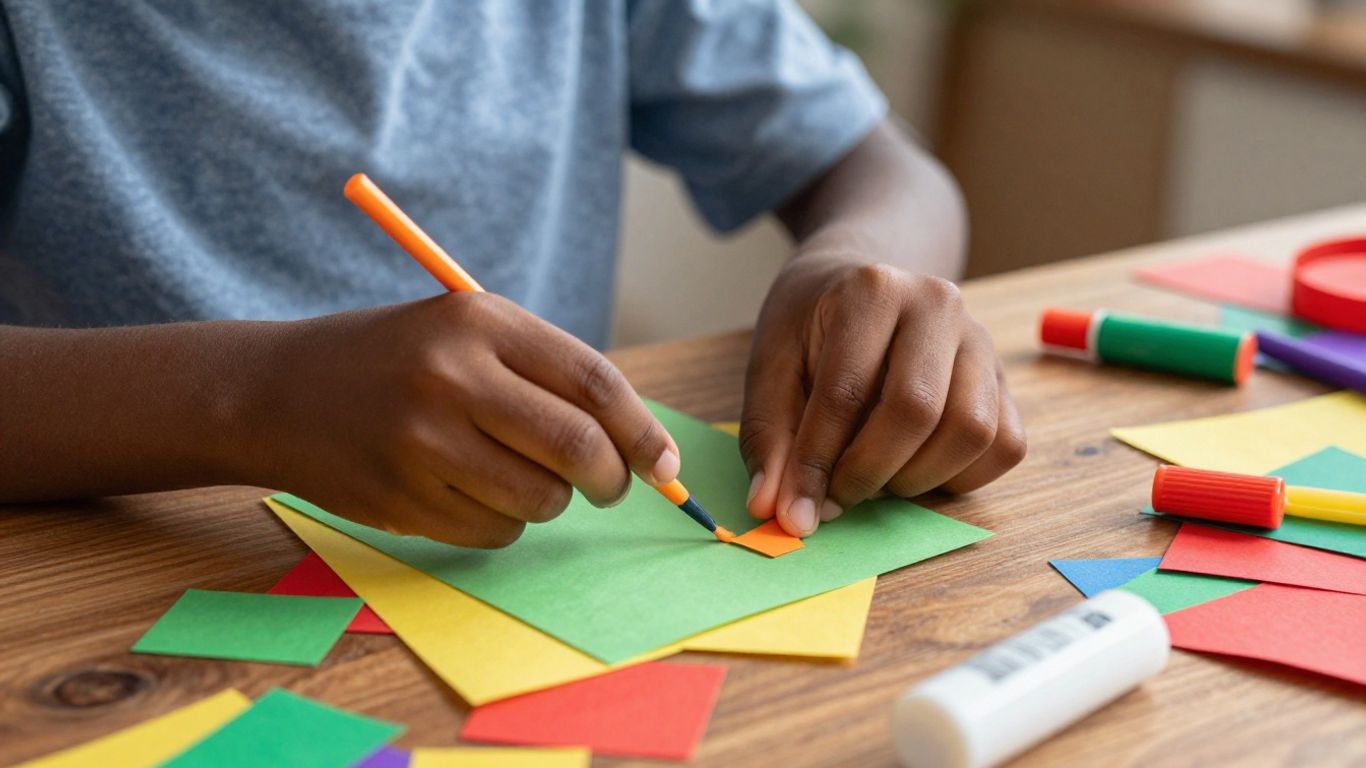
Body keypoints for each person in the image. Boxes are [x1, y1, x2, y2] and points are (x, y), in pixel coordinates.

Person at [0, 1, 1025, 545]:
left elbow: (885, 170)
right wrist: (253, 399)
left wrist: (851, 266)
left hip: (523, 573)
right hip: (117, 580)